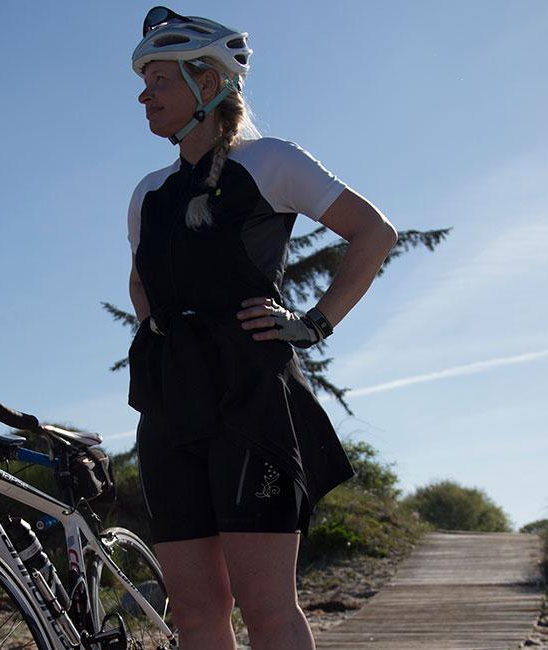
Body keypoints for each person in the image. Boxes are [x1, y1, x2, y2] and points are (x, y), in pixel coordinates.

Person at [126, 7, 399, 649]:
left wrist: (314, 323)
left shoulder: (270, 161)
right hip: (171, 402)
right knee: (194, 612)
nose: (144, 95)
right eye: (144, 82)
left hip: (250, 394)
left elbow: (374, 233)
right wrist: (165, 339)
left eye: (159, 79)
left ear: (210, 81)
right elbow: (140, 282)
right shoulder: (148, 192)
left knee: (266, 606)